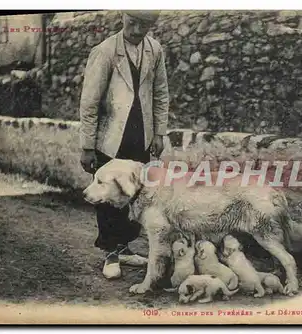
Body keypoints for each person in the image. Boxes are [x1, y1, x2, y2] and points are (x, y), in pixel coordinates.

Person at [79, 10, 169, 279]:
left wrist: (159, 133)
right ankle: (111, 254)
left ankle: (126, 247)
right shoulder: (105, 51)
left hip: (141, 135)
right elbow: (90, 102)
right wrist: (87, 146)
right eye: (133, 22)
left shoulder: (155, 50)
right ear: (123, 17)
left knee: (136, 195)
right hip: (110, 138)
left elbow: (161, 93)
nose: (138, 29)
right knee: (108, 195)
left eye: (145, 24)